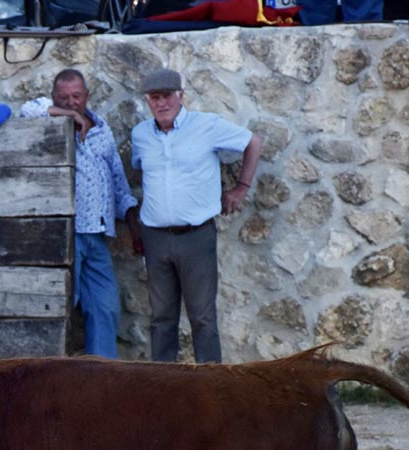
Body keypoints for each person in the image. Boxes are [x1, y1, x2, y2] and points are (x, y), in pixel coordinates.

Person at [131, 68, 262, 364]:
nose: (161, 103)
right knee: (161, 318)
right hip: (155, 237)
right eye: (154, 98)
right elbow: (140, 169)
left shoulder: (207, 126)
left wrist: (241, 188)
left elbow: (253, 142)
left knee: (202, 317)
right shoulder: (140, 134)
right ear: (147, 101)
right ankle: (164, 387)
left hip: (196, 237)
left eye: (166, 96)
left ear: (181, 96)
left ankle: (211, 389)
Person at [19, 69, 139, 359]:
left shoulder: (102, 129)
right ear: (54, 98)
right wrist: (67, 116)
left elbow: (117, 180)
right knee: (59, 308)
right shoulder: (48, 119)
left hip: (97, 236)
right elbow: (25, 110)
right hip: (65, 236)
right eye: (63, 97)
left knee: (105, 308)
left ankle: (102, 379)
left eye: (76, 96)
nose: (71, 102)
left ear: (87, 96)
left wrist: (133, 219)